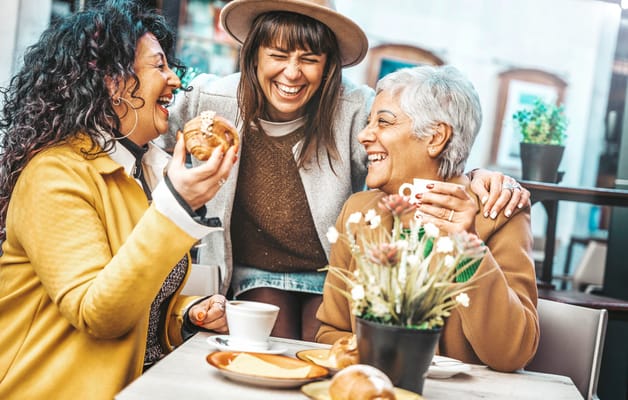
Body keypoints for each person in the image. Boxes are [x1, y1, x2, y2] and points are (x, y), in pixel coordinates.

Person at [163, 0, 530, 342]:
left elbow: (419, 142)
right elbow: (148, 131)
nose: (292, 73)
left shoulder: (357, 109)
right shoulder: (208, 100)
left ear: (328, 66)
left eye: (309, 58)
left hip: (330, 269)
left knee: (322, 345)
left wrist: (481, 175)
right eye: (276, 55)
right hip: (251, 269)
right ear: (253, 56)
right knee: (274, 342)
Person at [0, 1, 237, 399]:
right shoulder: (55, 174)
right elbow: (98, 314)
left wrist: (185, 314)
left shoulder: (140, 170)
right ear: (113, 83)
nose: (175, 80)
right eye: (159, 67)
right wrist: (176, 208)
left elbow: (133, 295)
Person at [315, 65, 539, 372]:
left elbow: (513, 352)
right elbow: (331, 332)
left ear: (436, 137)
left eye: (383, 122)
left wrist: (468, 249)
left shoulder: (497, 212)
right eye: (369, 122)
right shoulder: (358, 212)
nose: (364, 136)